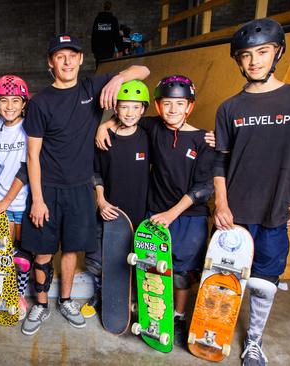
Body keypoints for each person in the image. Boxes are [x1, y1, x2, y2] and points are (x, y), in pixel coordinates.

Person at [213, 18, 290, 365]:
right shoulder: (229, 108)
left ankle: (253, 341)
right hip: (233, 214)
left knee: (264, 282)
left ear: (277, 52)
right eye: (246, 55)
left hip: (276, 211)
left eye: (262, 52)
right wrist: (220, 203)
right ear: (238, 60)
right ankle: (215, 333)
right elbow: (218, 162)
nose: (254, 61)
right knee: (225, 280)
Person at [20, 33, 150, 336]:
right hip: (48, 190)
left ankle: (65, 300)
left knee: (71, 251)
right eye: (60, 56)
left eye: (72, 55)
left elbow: (142, 70)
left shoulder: (93, 87)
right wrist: (37, 199)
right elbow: (32, 155)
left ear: (80, 59)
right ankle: (40, 304)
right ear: (51, 62)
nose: (67, 61)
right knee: (42, 252)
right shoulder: (40, 103)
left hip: (80, 189)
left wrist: (118, 80)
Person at [95, 76, 215, 345]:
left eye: (179, 104)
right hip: (155, 213)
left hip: (188, 216)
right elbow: (127, 116)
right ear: (158, 107)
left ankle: (178, 316)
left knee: (182, 273)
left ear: (189, 107)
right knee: (151, 269)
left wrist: (173, 213)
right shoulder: (153, 127)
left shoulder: (203, 140)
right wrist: (104, 125)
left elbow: (203, 188)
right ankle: (153, 314)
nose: (173, 110)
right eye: (167, 104)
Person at [81, 80, 151, 319]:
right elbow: (95, 172)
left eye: (135, 107)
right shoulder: (104, 138)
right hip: (108, 211)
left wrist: (208, 138)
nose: (129, 113)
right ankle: (101, 295)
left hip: (139, 212)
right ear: (115, 109)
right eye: (124, 107)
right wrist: (100, 200)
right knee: (96, 261)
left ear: (143, 109)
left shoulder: (149, 134)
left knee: (131, 261)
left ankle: (130, 300)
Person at [0, 75, 33, 321]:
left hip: (21, 201)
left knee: (22, 256)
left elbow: (25, 169)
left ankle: (19, 293)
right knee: (3, 253)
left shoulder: (30, 129)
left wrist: (5, 202)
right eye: (4, 101)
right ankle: (5, 295)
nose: (9, 106)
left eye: (15, 100)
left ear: (24, 103)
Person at [91, 1, 122, 66]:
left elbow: (94, 35)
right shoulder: (113, 19)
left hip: (98, 49)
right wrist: (119, 49)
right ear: (110, 8)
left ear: (103, 7)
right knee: (108, 67)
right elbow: (116, 35)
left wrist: (93, 49)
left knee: (99, 67)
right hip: (109, 48)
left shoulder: (98, 19)